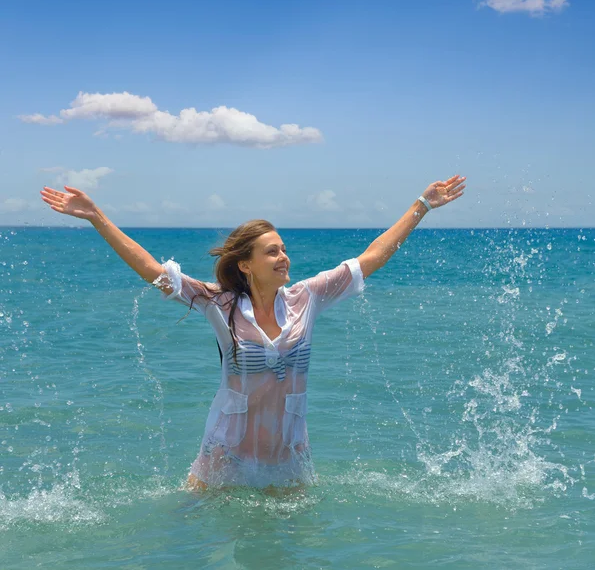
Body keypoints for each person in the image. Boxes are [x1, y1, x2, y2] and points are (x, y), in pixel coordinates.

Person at [40, 175, 466, 490]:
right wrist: (96, 216)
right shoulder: (219, 303)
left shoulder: (307, 297)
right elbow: (154, 272)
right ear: (245, 263)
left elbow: (371, 257)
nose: (284, 257)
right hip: (226, 457)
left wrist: (421, 206)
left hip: (288, 458)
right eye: (272, 251)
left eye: (283, 249)